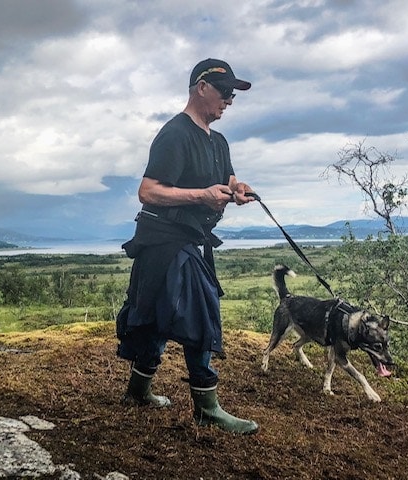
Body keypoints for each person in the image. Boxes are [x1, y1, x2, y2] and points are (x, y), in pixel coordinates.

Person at [115, 58, 260, 435]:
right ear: (201, 87)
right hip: (163, 240)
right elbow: (148, 191)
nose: (230, 100)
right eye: (225, 91)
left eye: (233, 94)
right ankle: (207, 409)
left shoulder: (218, 140)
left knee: (154, 318)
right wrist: (201, 195)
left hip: (188, 239)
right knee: (200, 310)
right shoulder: (174, 134)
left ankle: (137, 393)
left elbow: (224, 178)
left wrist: (236, 188)